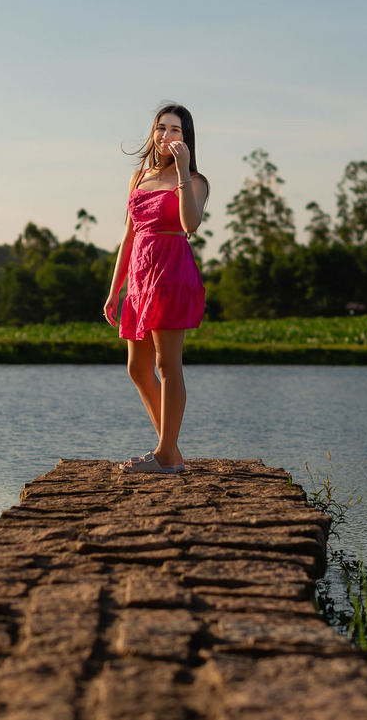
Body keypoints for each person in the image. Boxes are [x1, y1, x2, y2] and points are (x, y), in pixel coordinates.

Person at [103, 103, 209, 474]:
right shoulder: (139, 178)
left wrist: (182, 171)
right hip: (139, 276)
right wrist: (116, 288)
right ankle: (172, 452)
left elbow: (190, 224)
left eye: (176, 130)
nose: (166, 135)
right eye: (161, 128)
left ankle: (165, 455)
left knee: (167, 365)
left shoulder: (195, 180)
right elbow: (129, 235)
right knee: (137, 368)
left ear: (186, 137)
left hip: (171, 272)